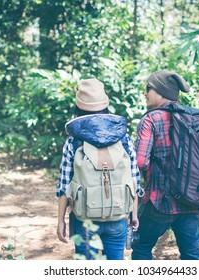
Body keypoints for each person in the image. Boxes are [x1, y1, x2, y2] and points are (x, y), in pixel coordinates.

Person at [56, 78, 140, 260]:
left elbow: (64, 185)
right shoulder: (123, 138)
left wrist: (61, 220)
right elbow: (134, 179)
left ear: (78, 108)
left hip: (84, 220)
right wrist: (134, 213)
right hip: (118, 217)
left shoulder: (74, 140)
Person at [131, 70, 199, 260]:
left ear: (161, 92)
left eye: (148, 88)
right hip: (193, 201)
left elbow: (140, 161)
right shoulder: (194, 117)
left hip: (160, 201)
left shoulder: (151, 119)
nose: (145, 93)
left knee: (141, 246)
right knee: (192, 254)